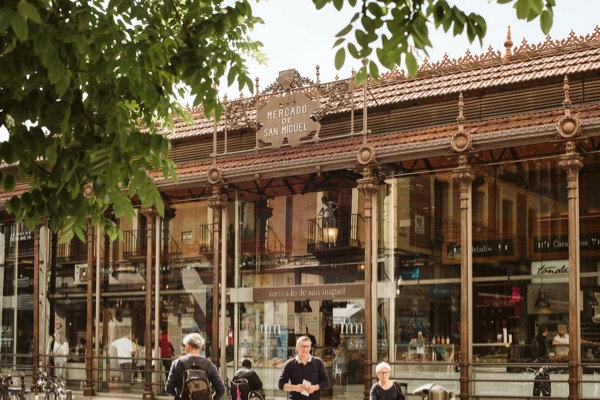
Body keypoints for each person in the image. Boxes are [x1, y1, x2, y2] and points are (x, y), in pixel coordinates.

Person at [165, 332, 225, 400]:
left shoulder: (177, 363)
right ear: (200, 346)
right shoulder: (209, 364)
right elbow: (221, 389)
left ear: (187, 345)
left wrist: (179, 396)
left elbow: (168, 389)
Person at [278, 335, 329, 400]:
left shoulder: (318, 362)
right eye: (302, 346)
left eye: (307, 346)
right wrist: (295, 388)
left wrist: (315, 387)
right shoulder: (290, 364)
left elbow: (325, 381)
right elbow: (281, 384)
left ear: (310, 348)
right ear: (297, 347)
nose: (305, 349)